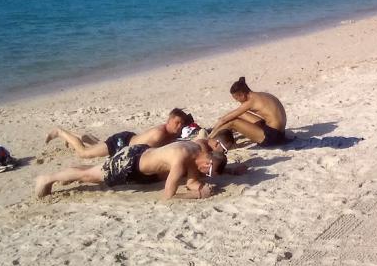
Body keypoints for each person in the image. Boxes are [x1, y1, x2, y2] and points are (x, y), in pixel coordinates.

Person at [34, 139, 226, 199]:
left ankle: (65, 174)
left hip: (140, 153)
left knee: (93, 171)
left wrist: (200, 188)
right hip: (130, 162)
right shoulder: (182, 158)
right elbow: (168, 196)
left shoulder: (195, 151)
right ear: (207, 163)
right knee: (90, 176)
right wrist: (198, 196)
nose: (205, 175)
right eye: (207, 172)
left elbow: (192, 181)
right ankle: (47, 178)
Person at [46, 108, 193, 159]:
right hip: (121, 144)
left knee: (97, 145)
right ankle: (60, 132)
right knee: (83, 153)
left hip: (128, 138)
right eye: (176, 123)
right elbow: (150, 152)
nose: (179, 127)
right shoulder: (159, 134)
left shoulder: (171, 133)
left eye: (181, 124)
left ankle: (78, 136)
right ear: (168, 121)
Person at [211, 76, 289, 147]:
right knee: (241, 114)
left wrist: (211, 133)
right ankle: (227, 137)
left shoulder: (251, 102)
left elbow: (223, 120)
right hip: (280, 133)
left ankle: (210, 140)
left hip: (272, 137)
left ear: (242, 95)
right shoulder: (261, 95)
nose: (237, 101)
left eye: (237, 99)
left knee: (233, 122)